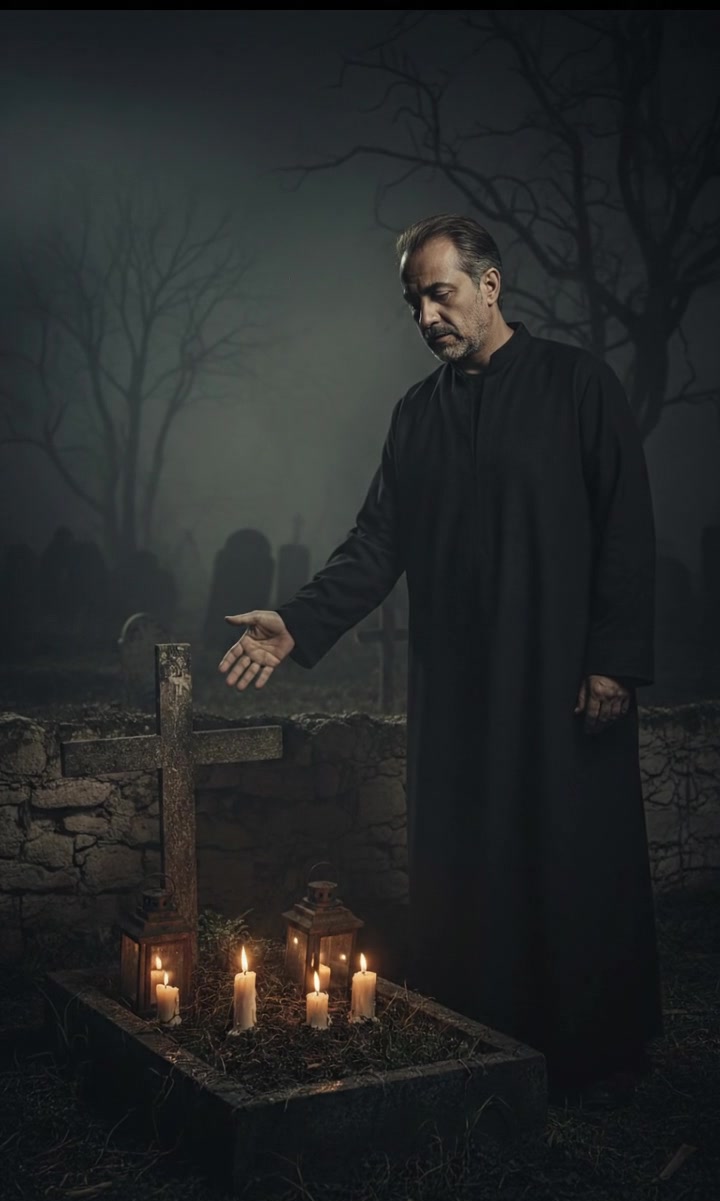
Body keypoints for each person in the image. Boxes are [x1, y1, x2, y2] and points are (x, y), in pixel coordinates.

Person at [218, 214, 662, 1106]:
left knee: (569, 851)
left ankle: (590, 1051)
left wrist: (612, 660)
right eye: (414, 302)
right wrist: (297, 623)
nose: (426, 316)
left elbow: (625, 525)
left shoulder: (578, 385)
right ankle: (474, 1037)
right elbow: (376, 543)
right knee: (467, 861)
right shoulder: (416, 415)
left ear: (490, 286)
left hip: (561, 681)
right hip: (458, 690)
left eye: (441, 293)